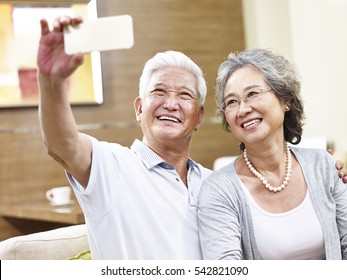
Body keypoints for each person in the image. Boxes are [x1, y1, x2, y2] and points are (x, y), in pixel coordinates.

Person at [37, 17, 347, 260]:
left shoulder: (212, 182)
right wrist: (51, 83)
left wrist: (330, 170)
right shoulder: (111, 166)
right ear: (139, 107)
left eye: (184, 95)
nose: (171, 103)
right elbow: (62, 144)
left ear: (198, 118)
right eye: (159, 92)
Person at [197, 48, 347, 260]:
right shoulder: (218, 190)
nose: (242, 110)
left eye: (253, 94)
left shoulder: (323, 165)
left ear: (285, 100)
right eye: (232, 101)